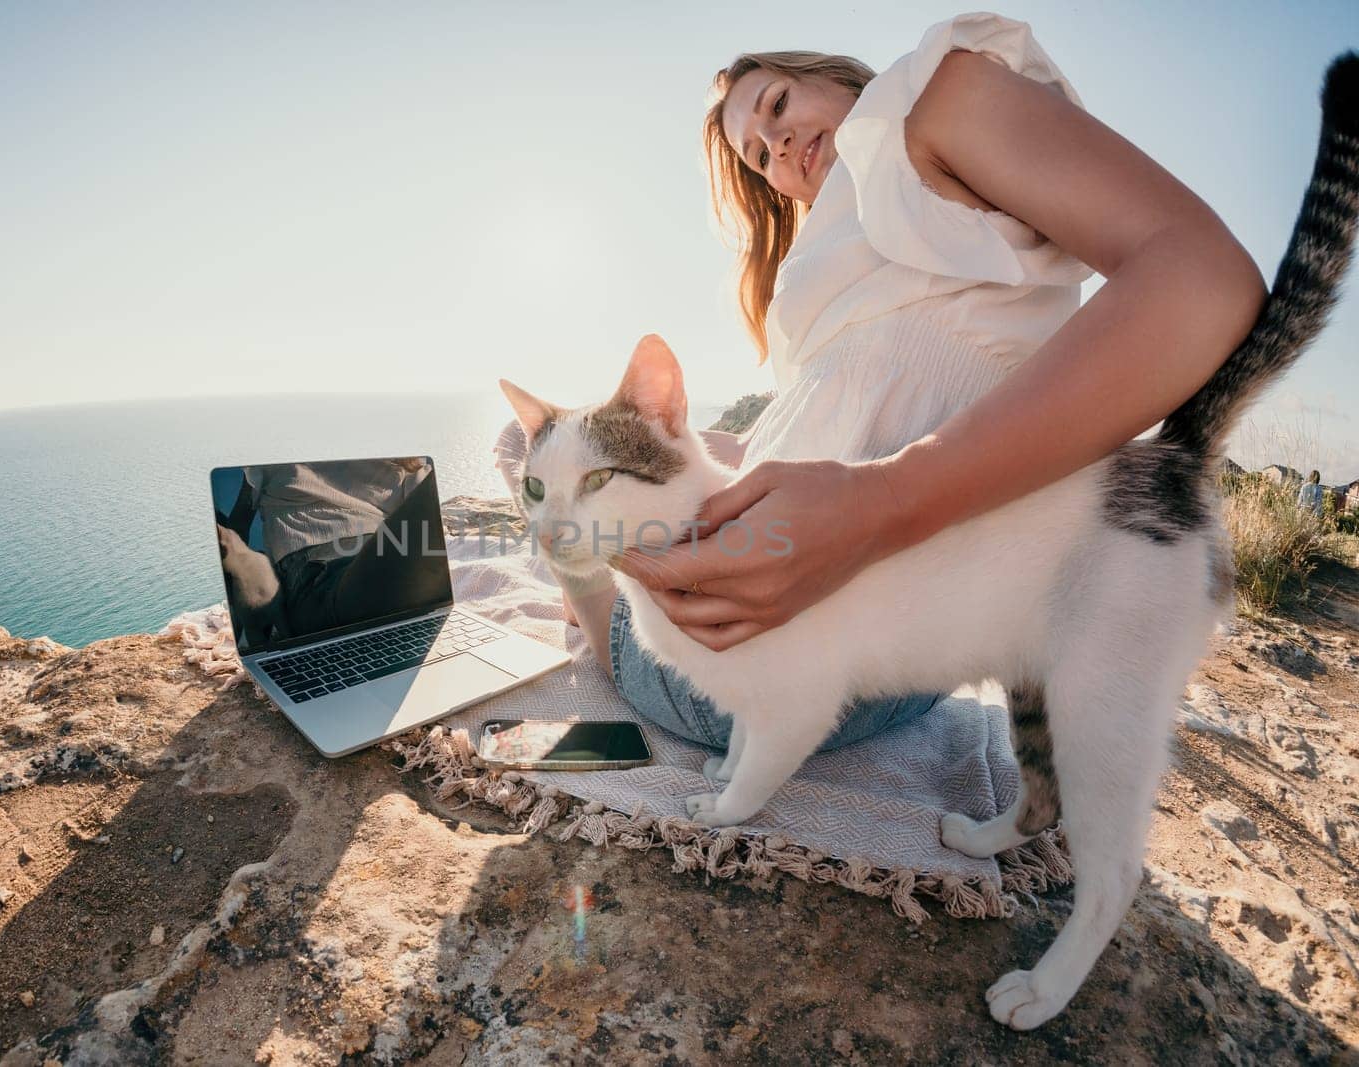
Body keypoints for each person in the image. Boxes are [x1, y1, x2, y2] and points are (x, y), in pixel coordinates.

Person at [497, 12, 1265, 753]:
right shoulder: (842, 247)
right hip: (855, 653)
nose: (779, 143)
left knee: (534, 471)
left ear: (830, 78)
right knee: (563, 459)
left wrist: (883, 501)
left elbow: (1204, 282)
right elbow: (840, 426)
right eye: (760, 156)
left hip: (762, 668)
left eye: (778, 105)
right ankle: (585, 573)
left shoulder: (931, 104)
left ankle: (581, 593)